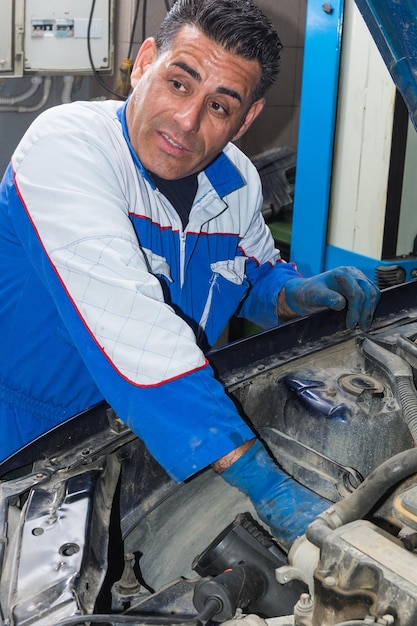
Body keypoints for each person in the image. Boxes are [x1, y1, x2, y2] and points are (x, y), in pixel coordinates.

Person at [0, 0, 380, 550]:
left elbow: (248, 275)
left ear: (247, 118)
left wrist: (295, 293)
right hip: (26, 432)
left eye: (220, 107)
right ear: (145, 61)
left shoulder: (238, 184)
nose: (188, 121)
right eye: (179, 84)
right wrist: (262, 482)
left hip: (144, 432)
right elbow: (137, 331)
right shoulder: (68, 147)